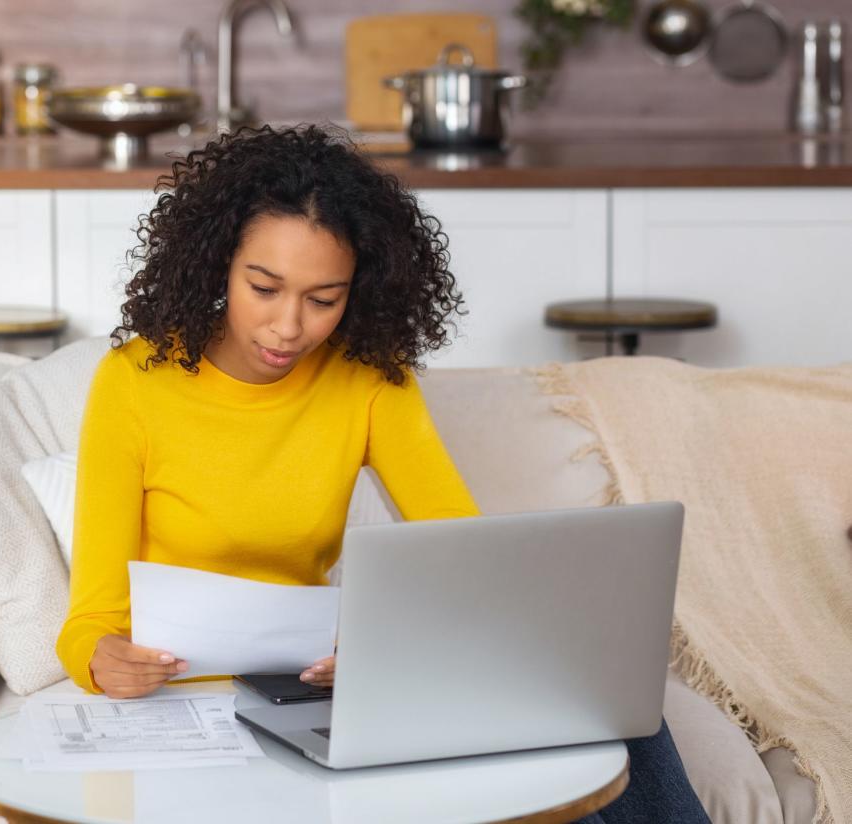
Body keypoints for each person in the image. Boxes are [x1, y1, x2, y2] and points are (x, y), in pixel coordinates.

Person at [55, 124, 709, 824]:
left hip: (317, 692)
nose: (288, 327)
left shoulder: (368, 382)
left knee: (592, 705)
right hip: (194, 699)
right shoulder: (135, 382)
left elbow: (467, 556)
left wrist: (376, 649)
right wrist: (100, 659)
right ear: (218, 263)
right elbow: (90, 617)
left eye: (323, 299)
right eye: (265, 288)